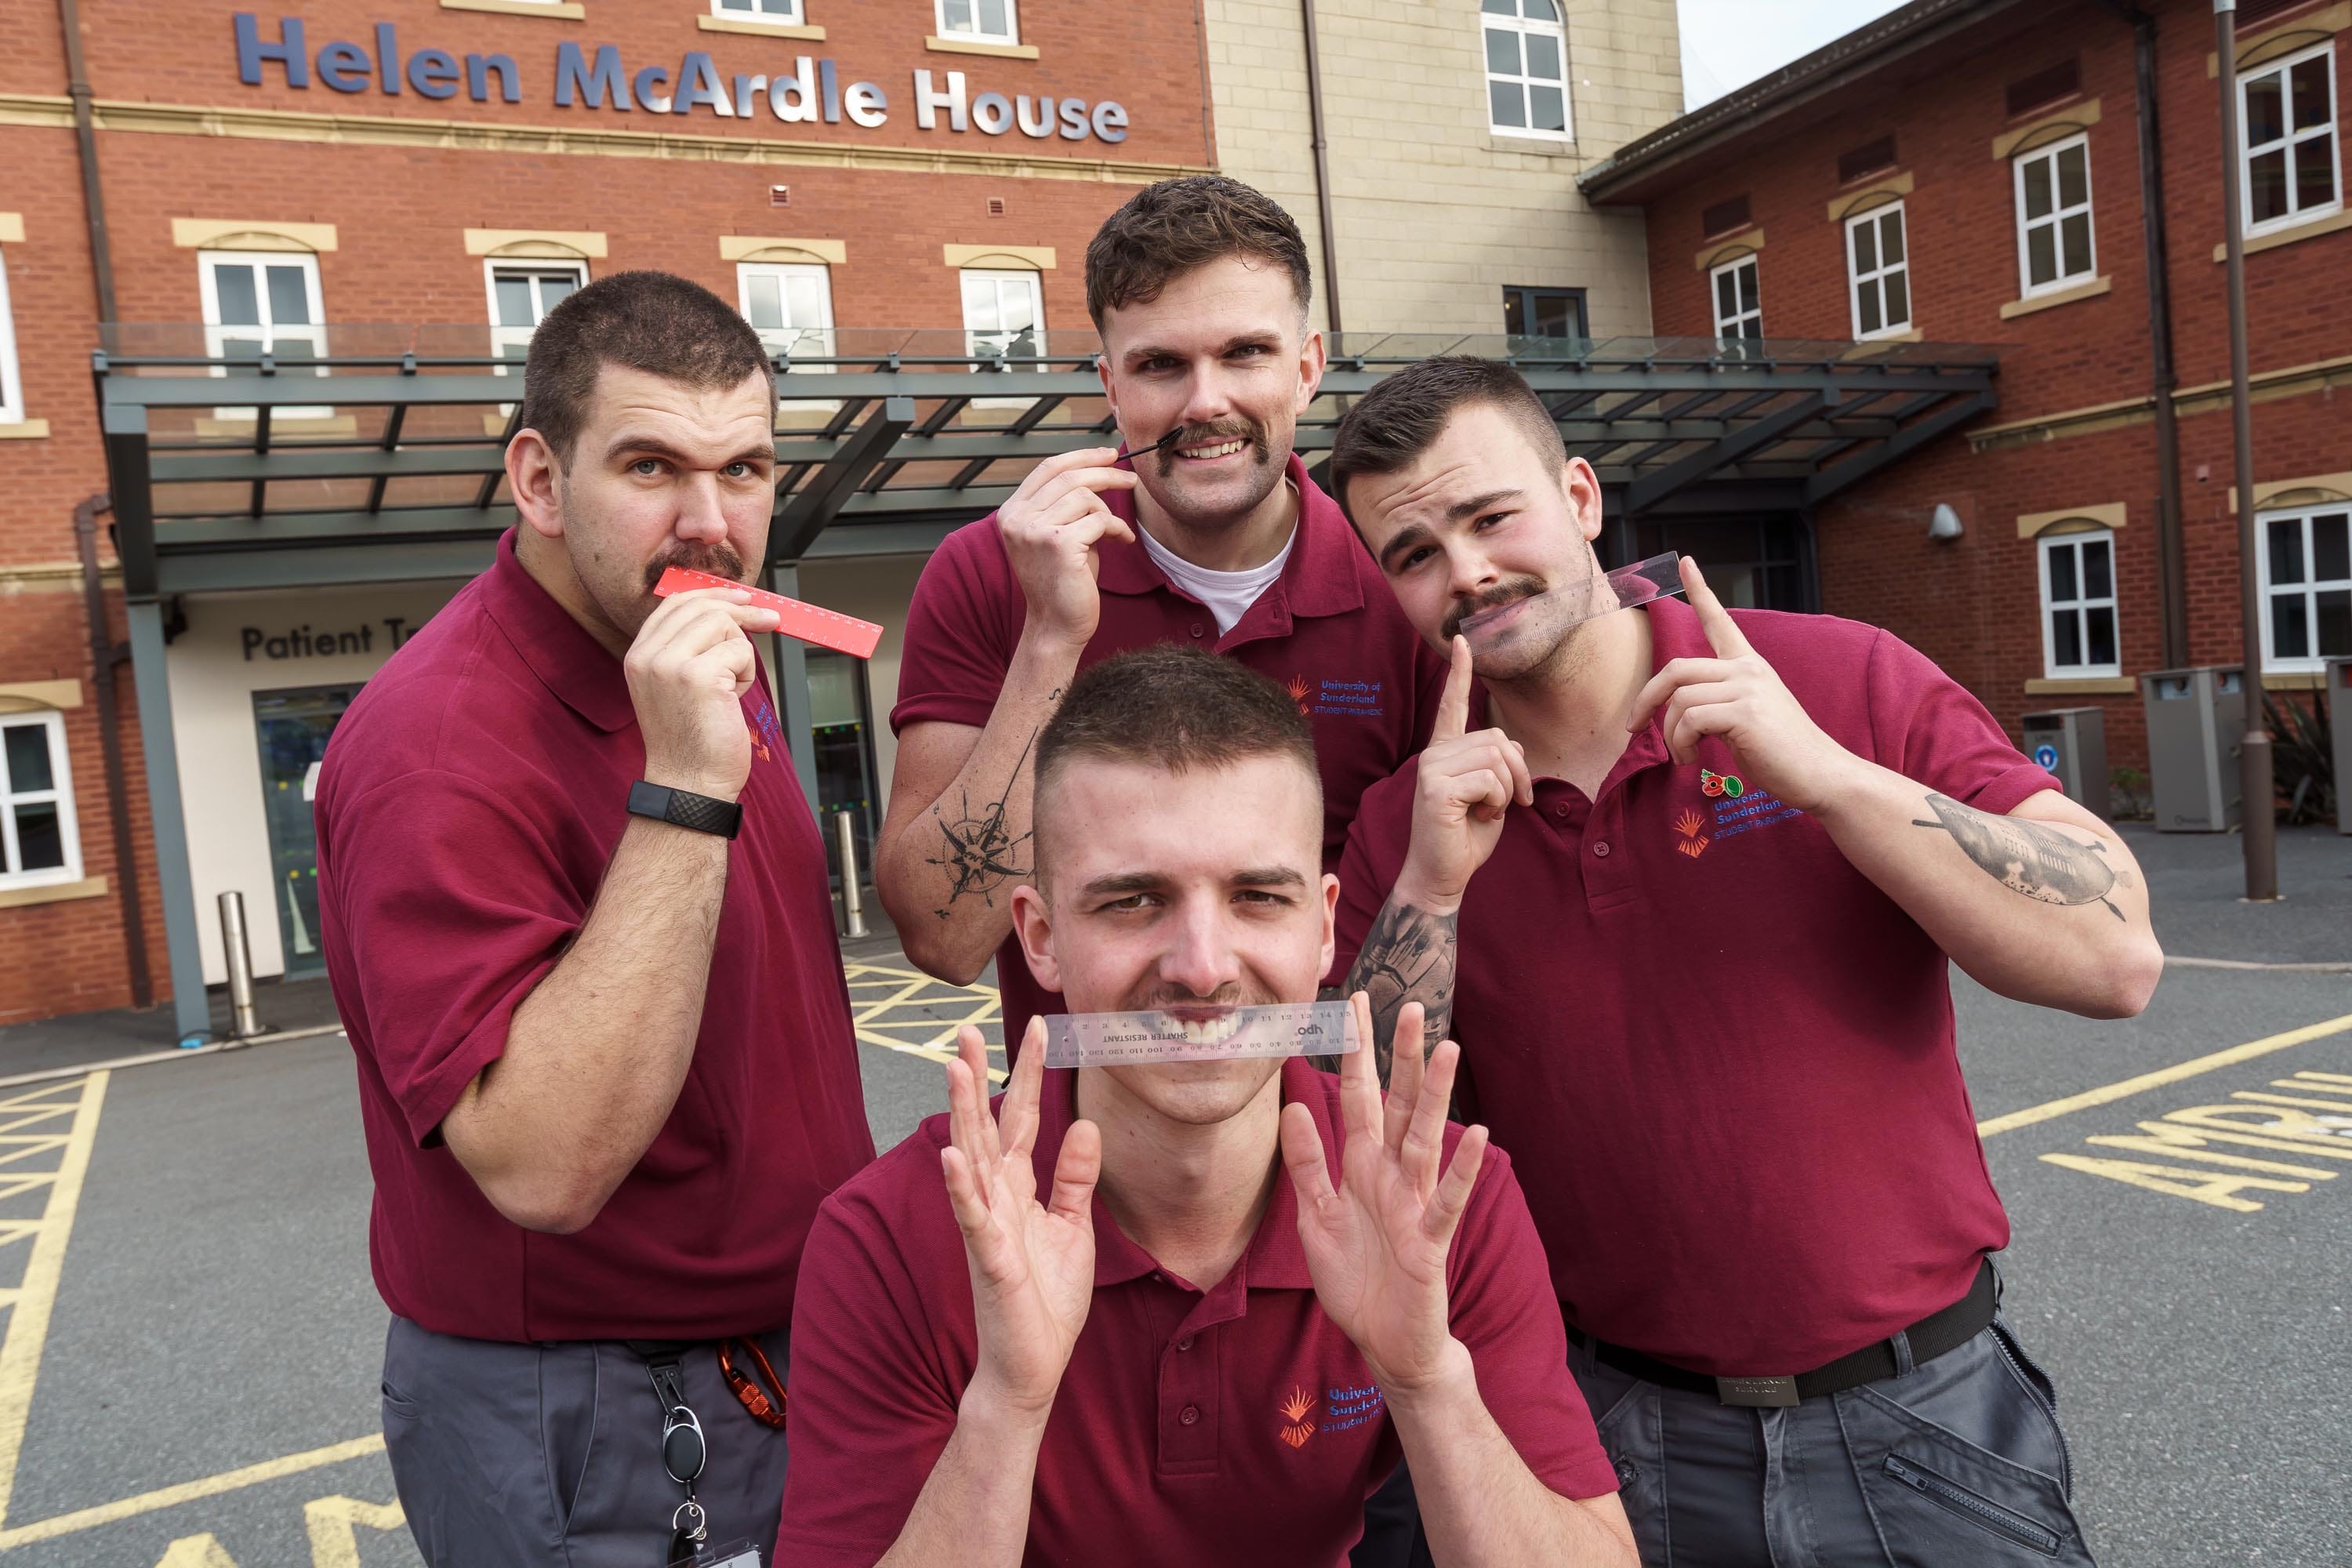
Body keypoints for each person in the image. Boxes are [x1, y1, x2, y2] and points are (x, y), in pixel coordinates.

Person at [1326, 357, 2162, 1567]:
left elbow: (2116, 956)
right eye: (1412, 555)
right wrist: (1431, 891)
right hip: (1608, 1426)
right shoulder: (1415, 816)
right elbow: (1362, 1124)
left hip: (1919, 1418)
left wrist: (1825, 777)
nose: (1464, 572)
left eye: (1489, 515)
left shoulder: (1835, 678)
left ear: (1579, 496)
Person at [779, 647, 1637, 1568]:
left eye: (1258, 897)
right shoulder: (892, 1231)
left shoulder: (1434, 1196)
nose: (1202, 965)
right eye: (1133, 899)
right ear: (1040, 937)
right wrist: (1008, 1403)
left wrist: (1428, 1381)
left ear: (1321, 928)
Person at [314, 271, 873, 1566]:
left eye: (746, 470)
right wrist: (682, 786)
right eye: (650, 466)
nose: (710, 522)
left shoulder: (682, 646)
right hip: (601, 1406)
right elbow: (543, 1165)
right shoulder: (435, 743)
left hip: (791, 1354)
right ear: (540, 481)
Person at [878, 174, 1446, 1058]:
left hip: (1328, 1129)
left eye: (1246, 353)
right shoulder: (991, 571)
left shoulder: (1406, 580)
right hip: (1081, 1154)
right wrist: (1051, 641)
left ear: (1307, 367)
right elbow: (944, 938)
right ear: (1112, 382)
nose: (1204, 402)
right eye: (1160, 364)